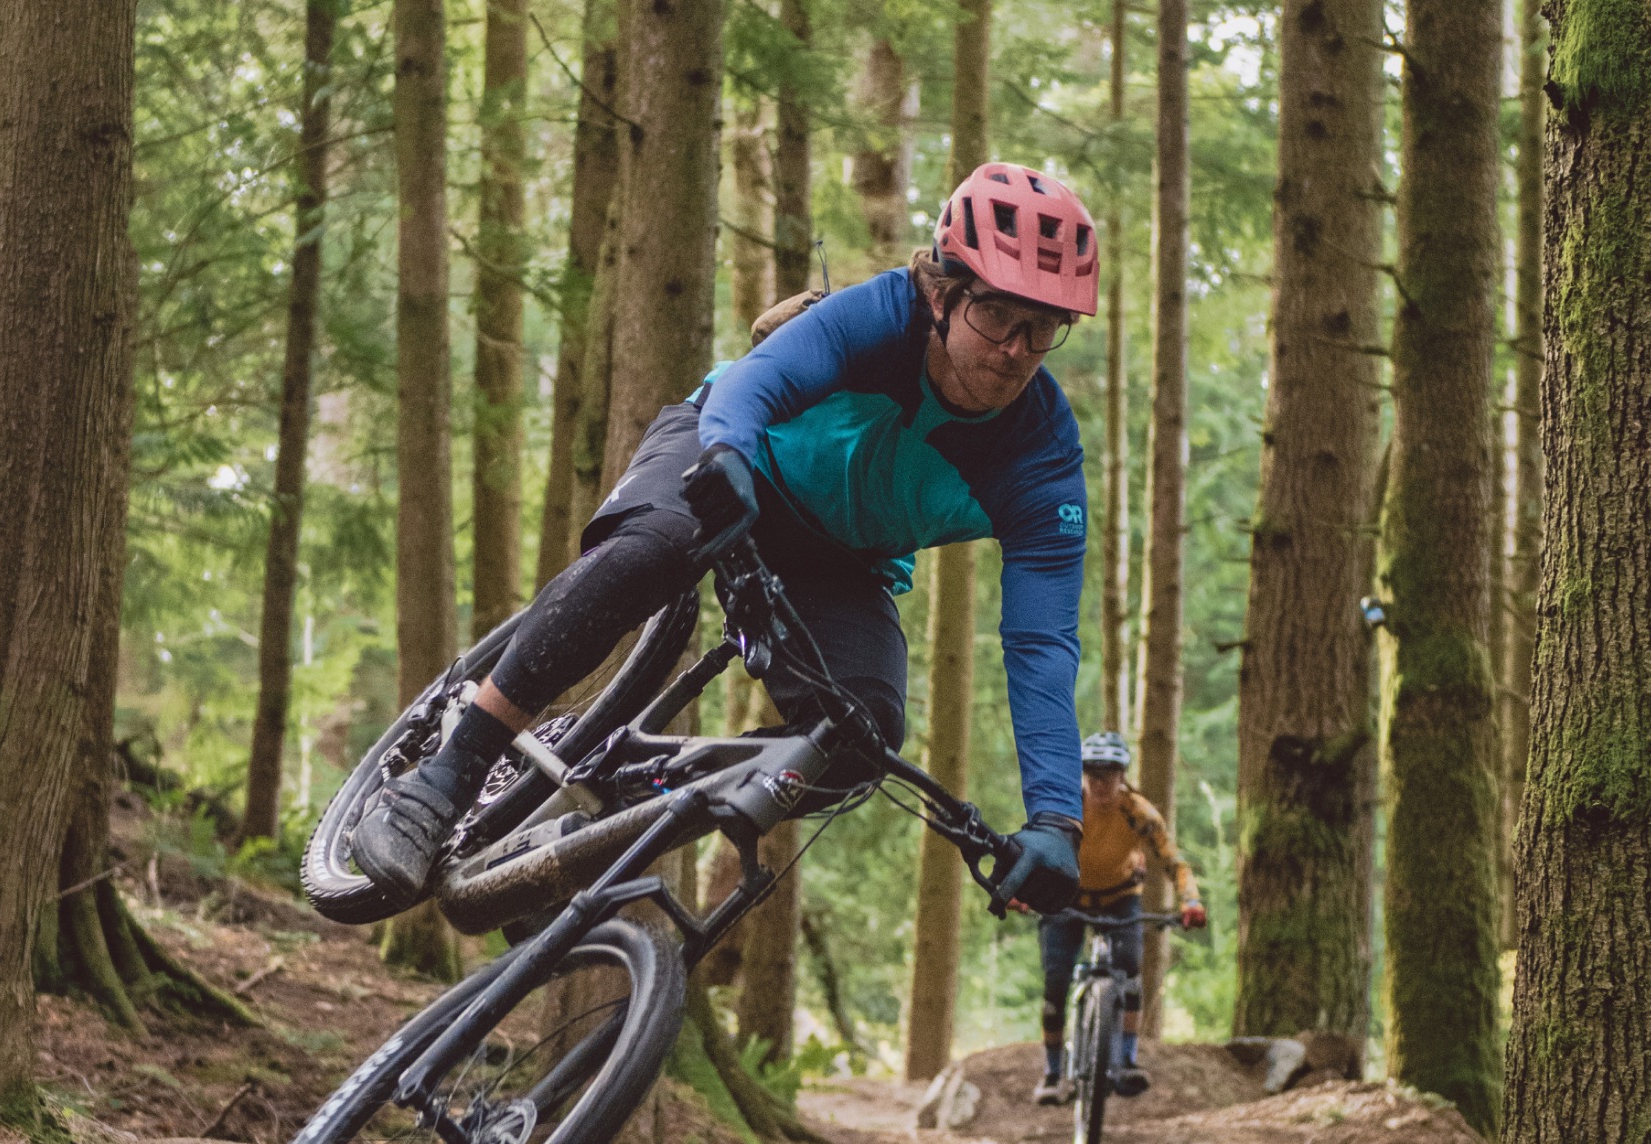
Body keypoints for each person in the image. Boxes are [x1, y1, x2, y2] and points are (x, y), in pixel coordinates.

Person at [349, 161, 1102, 923]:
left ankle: (603, 816)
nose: (1015, 349)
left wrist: (1054, 819)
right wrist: (729, 453)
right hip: (728, 454)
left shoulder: (1040, 461)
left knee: (856, 739)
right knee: (652, 549)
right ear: (942, 294)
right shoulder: (885, 315)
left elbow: (1041, 645)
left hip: (834, 558)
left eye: (1042, 328)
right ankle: (446, 773)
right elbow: (759, 380)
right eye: (998, 316)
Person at [1033, 730, 1205, 1103]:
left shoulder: (1139, 813)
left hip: (1120, 896)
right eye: (1092, 772)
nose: (1099, 781)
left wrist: (1190, 901)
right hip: (1068, 895)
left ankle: (1127, 1060)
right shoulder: (1068, 805)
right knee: (1056, 982)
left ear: (1122, 774)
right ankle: (1051, 1072)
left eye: (1109, 772)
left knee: (1128, 970)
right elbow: (1038, 848)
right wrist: (1021, 890)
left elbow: (1173, 861)